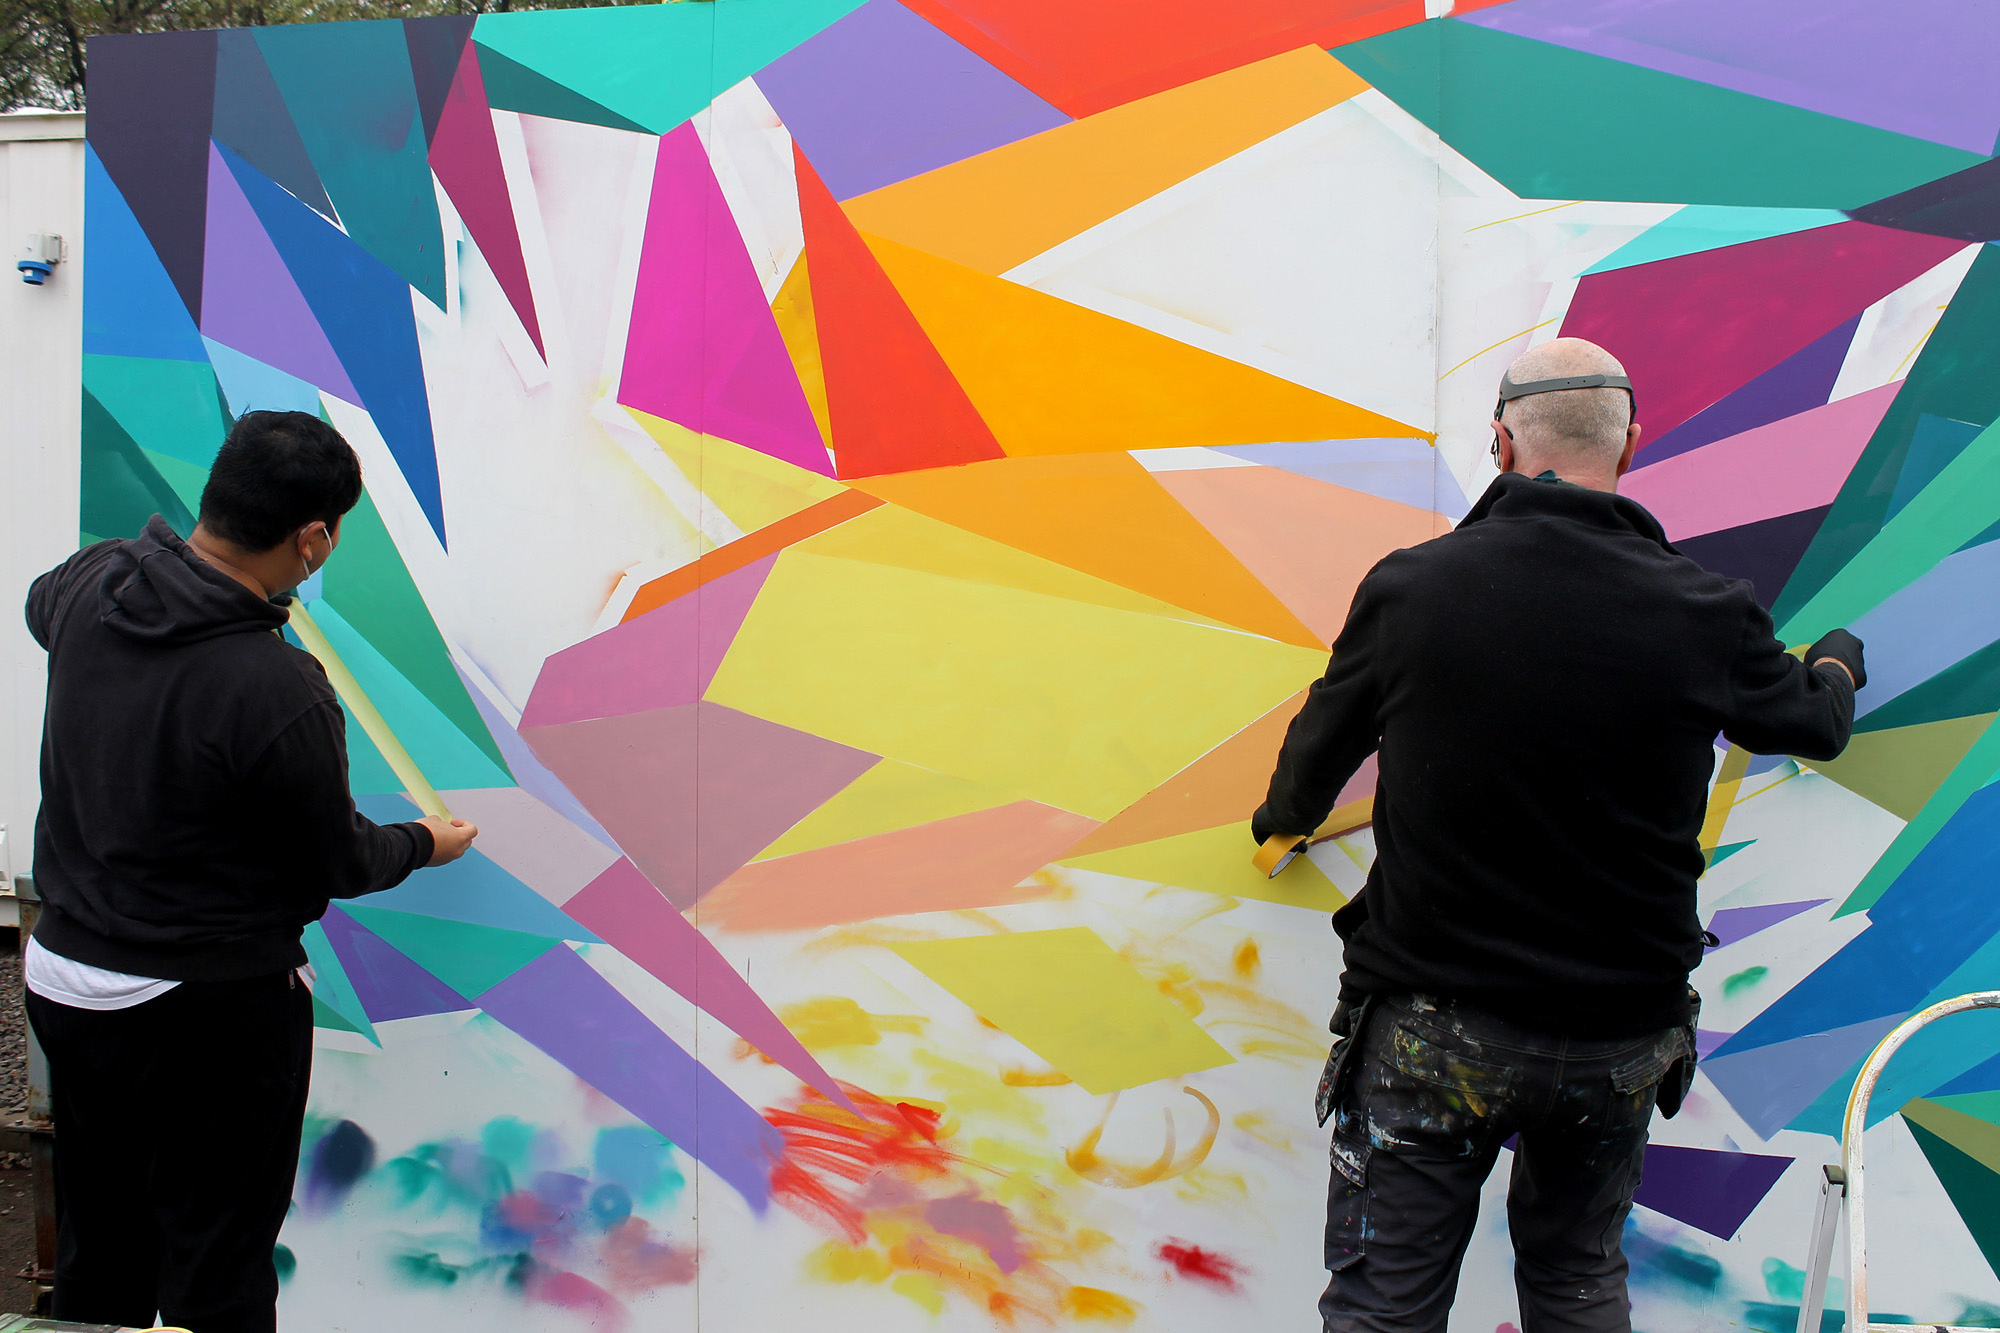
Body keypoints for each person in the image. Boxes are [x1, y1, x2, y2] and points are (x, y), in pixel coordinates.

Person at [1252, 339, 1865, 1333]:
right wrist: (1835, 661)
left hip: (1429, 1024)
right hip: (1615, 1035)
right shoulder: (1703, 610)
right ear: (1630, 443)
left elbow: (1318, 745)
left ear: (1498, 441)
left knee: (1382, 1305)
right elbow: (1811, 722)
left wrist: (1279, 819)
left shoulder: (1414, 590)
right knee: (1575, 1281)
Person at [22, 410, 479, 1331]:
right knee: (218, 1267)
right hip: (205, 1011)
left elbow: (42, 610)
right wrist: (427, 840)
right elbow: (340, 858)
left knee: (101, 1246)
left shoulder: (90, 582)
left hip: (65, 979)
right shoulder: (276, 687)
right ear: (312, 538)